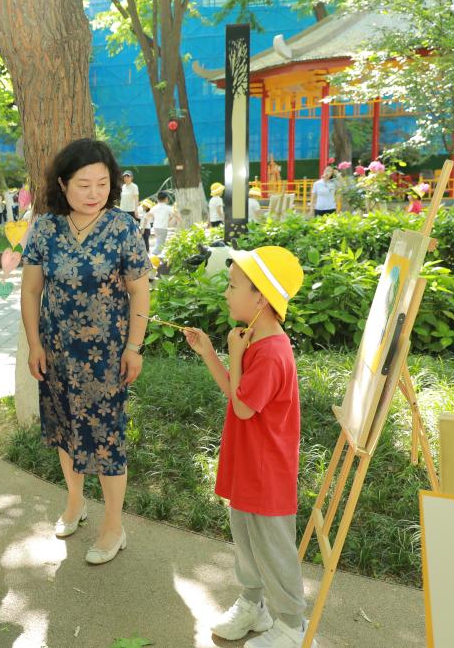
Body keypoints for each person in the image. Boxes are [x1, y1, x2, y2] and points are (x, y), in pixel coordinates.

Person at [20, 138, 150, 565]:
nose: (94, 193)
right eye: (83, 184)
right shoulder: (45, 228)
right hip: (57, 352)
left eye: (102, 183)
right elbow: (31, 290)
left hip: (107, 357)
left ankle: (114, 525)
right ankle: (75, 502)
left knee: (107, 437)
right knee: (65, 427)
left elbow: (139, 291)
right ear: (62, 184)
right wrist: (35, 344)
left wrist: (134, 347)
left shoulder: (122, 227)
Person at [182, 245, 308, 648]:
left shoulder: (270, 352)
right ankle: (254, 605)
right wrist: (210, 353)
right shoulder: (257, 341)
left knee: (273, 549)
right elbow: (238, 392)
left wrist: (235, 354)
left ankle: (292, 626)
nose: (226, 292)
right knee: (247, 543)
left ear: (260, 299)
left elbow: (241, 406)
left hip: (267, 473)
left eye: (233, 285)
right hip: (249, 466)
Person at [145, 191, 181, 255]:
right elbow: (175, 215)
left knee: (158, 242)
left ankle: (155, 255)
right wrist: (179, 219)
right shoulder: (168, 208)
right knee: (161, 244)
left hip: (156, 227)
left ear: (158, 199)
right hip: (163, 228)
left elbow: (148, 215)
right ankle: (153, 255)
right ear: (166, 199)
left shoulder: (155, 207)